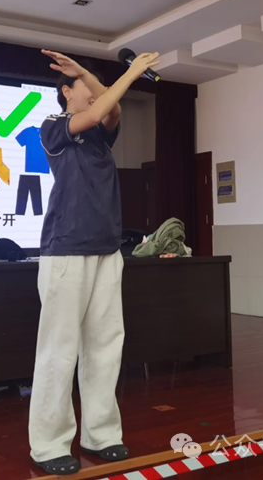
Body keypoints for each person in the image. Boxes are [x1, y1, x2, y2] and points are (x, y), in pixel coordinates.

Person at [29, 49, 160, 476]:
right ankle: (48, 445)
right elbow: (101, 107)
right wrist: (133, 72)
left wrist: (86, 71)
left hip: (107, 250)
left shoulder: (101, 135)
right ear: (66, 92)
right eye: (83, 85)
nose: (93, 91)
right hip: (66, 249)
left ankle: (101, 434)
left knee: (105, 346)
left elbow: (111, 109)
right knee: (59, 350)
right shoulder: (52, 127)